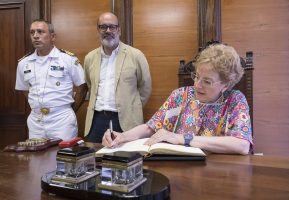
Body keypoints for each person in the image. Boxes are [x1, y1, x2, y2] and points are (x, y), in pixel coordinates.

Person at [102, 43, 253, 155]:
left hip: (219, 173)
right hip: (180, 167)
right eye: (197, 76)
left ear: (226, 85)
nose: (197, 85)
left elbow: (241, 145)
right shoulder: (180, 95)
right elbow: (151, 126)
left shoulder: (235, 100)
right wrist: (122, 136)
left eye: (207, 81)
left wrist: (182, 138)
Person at [84, 12, 152, 143]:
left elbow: (145, 88)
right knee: (95, 160)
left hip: (126, 121)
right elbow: (90, 85)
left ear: (119, 30)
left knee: (127, 160)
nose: (108, 31)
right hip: (96, 120)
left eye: (112, 27)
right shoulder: (90, 58)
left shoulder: (135, 55)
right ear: (98, 30)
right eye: (103, 27)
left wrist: (131, 107)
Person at [15, 19, 87, 140]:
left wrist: (70, 110)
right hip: (36, 121)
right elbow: (25, 90)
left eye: (40, 32)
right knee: (36, 157)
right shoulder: (24, 63)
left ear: (52, 36)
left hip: (61, 120)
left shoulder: (67, 59)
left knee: (62, 157)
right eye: (32, 32)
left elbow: (83, 87)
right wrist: (38, 105)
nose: (35, 36)